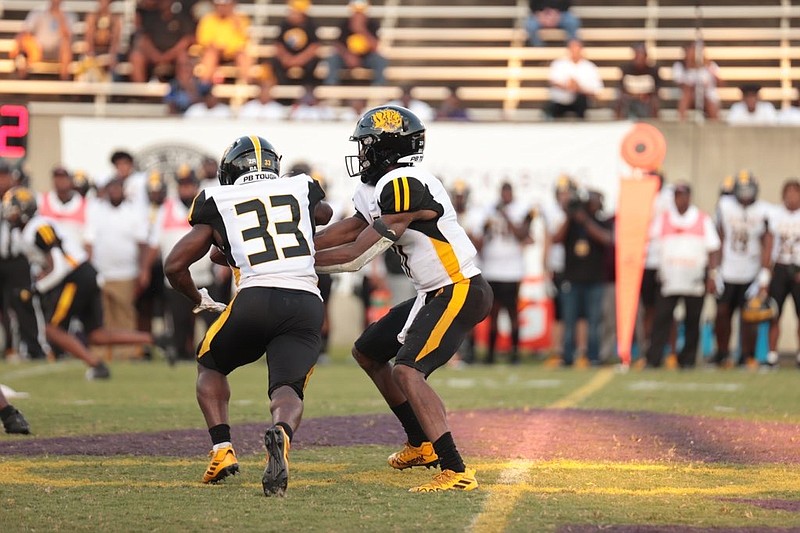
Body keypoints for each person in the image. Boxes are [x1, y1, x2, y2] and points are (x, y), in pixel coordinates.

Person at [314, 105, 492, 492]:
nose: (361, 153)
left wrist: (292, 265)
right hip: (432, 292)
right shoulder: (378, 187)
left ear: (386, 147)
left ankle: (455, 467)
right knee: (368, 351)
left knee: (407, 371)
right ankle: (422, 443)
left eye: (367, 145)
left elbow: (357, 254)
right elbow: (350, 229)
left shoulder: (403, 183)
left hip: (459, 288)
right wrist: (294, 244)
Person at [164, 135, 330, 496]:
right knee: (288, 388)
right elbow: (324, 215)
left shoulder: (215, 198)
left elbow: (174, 264)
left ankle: (222, 449)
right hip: (305, 301)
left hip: (255, 298)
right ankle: (282, 433)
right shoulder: (301, 185)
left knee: (210, 364)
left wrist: (199, 298)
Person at [3, 187, 154, 379]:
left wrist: (36, 289)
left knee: (52, 329)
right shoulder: (31, 228)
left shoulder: (38, 228)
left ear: (25, 210)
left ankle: (97, 365)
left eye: (13, 209)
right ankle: (154, 339)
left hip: (76, 277)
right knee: (96, 335)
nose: (10, 214)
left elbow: (58, 266)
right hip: (84, 273)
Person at [645, 183, 721, 369]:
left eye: (684, 195)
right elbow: (648, 241)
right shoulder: (663, 219)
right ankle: (653, 359)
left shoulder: (701, 218)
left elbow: (713, 248)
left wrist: (712, 275)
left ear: (689, 197)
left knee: (692, 321)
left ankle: (687, 360)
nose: (681, 199)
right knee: (661, 320)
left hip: (694, 278)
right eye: (677, 196)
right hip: (669, 279)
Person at [151, 168, 215, 362]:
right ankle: (180, 354)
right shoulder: (166, 208)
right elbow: (155, 242)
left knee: (211, 320)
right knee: (179, 320)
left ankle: (211, 354)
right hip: (177, 279)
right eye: (182, 185)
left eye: (189, 184)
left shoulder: (205, 205)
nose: (186, 189)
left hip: (204, 275)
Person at [711, 170, 773, 367]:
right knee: (722, 313)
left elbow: (768, 243)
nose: (745, 194)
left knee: (750, 316)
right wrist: (714, 271)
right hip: (728, 270)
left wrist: (764, 275)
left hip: (751, 271)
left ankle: (747, 355)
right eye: (742, 189)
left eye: (749, 189)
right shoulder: (725, 206)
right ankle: (722, 353)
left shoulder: (764, 210)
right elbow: (718, 238)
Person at [85, 178, 151, 359]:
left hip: (126, 273)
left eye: (117, 188)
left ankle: (126, 353)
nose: (114, 191)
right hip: (101, 272)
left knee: (124, 314)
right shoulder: (97, 210)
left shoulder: (133, 211)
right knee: (101, 317)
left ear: (123, 190)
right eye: (111, 188)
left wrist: (143, 270)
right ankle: (101, 354)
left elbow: (142, 243)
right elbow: (89, 242)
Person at [552, 189, 613, 366]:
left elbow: (606, 239)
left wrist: (585, 221)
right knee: (569, 321)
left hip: (595, 280)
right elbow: (557, 239)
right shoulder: (570, 223)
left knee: (594, 322)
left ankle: (593, 357)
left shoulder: (600, 221)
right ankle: (568, 357)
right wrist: (569, 217)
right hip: (571, 280)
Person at [475, 182, 532, 365]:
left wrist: (505, 216)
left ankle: (515, 353)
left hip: (512, 270)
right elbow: (482, 237)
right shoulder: (489, 209)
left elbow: (522, 234)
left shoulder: (522, 209)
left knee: (512, 311)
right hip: (491, 268)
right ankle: (490, 353)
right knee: (494, 312)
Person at [0, 163, 49, 361]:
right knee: (3, 308)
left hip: (18, 260)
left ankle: (33, 347)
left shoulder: (21, 196)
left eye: (4, 176)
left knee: (23, 303)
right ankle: (9, 347)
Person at [766, 179, 800, 366]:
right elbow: (769, 244)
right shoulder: (775, 215)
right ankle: (772, 355)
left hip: (798, 269)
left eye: (795, 192)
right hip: (780, 267)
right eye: (788, 193)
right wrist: (765, 272)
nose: (791, 197)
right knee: (774, 313)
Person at [129, 0, 196, 83]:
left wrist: (169, 55)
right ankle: (140, 93)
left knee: (183, 58)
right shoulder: (150, 16)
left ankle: (184, 90)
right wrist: (156, 56)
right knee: (136, 56)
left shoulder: (182, 16)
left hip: (175, 55)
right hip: (153, 55)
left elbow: (187, 39)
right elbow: (144, 38)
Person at [324, 0, 387, 86]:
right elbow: (338, 44)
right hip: (347, 58)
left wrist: (361, 30)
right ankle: (331, 85)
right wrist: (347, 56)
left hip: (366, 58)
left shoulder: (373, 24)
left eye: (360, 12)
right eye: (356, 12)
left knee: (380, 60)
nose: (358, 15)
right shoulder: (345, 24)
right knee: (333, 58)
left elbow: (375, 47)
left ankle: (379, 86)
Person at [11, 0, 76, 80]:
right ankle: (21, 79)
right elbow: (25, 31)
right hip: (38, 50)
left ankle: (64, 81)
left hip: (58, 51)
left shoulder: (69, 14)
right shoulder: (38, 12)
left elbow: (68, 36)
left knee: (66, 44)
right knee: (24, 42)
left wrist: (60, 18)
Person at [195, 0, 251, 83]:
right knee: (211, 55)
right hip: (214, 51)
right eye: (219, 5)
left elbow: (243, 40)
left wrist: (229, 48)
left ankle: (247, 84)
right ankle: (205, 84)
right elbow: (204, 40)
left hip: (233, 54)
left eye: (225, 5)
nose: (222, 8)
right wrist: (216, 46)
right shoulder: (208, 20)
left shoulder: (240, 19)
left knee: (243, 56)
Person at [547, 39, 603, 119]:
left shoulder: (589, 67)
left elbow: (597, 90)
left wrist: (578, 88)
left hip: (580, 102)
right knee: (551, 107)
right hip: (560, 101)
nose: (575, 52)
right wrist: (567, 86)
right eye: (572, 49)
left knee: (581, 100)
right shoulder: (559, 64)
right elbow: (553, 81)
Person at [36, 166, 89, 249]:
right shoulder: (41, 200)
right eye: (57, 178)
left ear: (71, 180)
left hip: (76, 258)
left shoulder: (86, 205)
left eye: (63, 178)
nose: (60, 181)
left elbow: (89, 238)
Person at [271, 0, 321, 86]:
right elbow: (278, 44)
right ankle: (283, 91)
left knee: (312, 64)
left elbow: (314, 47)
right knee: (275, 63)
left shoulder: (310, 25)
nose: (291, 13)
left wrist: (299, 60)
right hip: (288, 58)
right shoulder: (285, 24)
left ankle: (307, 90)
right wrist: (285, 58)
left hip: (304, 59)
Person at [673, 41, 722, 121]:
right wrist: (689, 65)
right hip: (690, 96)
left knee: (710, 102)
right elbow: (681, 84)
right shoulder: (680, 65)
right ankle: (681, 122)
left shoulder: (710, 65)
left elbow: (721, 83)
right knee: (687, 95)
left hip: (707, 96)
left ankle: (715, 125)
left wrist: (709, 69)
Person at [616, 43, 661, 119]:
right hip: (629, 98)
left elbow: (657, 89)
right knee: (620, 101)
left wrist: (644, 96)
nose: (639, 58)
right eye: (638, 55)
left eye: (641, 55)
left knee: (654, 102)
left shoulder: (653, 71)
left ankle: (654, 124)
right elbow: (622, 88)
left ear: (646, 57)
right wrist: (634, 96)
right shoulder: (626, 69)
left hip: (647, 100)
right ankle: (619, 124)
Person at [83, 0, 123, 79]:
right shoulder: (92, 17)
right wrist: (91, 56)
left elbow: (116, 41)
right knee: (89, 67)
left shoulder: (115, 19)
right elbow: (89, 39)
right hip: (95, 52)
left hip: (110, 53)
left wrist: (112, 56)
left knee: (113, 66)